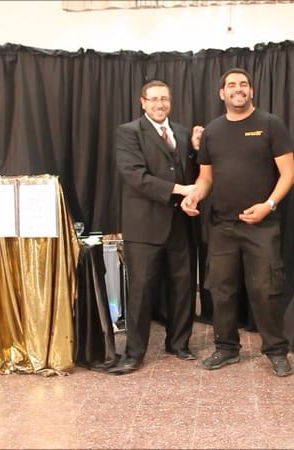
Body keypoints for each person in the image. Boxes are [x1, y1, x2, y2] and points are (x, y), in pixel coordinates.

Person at [181, 68, 294, 377]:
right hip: (222, 226)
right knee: (221, 290)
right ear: (222, 93)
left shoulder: (270, 124)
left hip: (262, 225)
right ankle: (226, 348)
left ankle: (276, 351)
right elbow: (205, 178)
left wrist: (268, 206)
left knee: (266, 290)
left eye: (243, 84)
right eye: (231, 85)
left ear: (251, 91)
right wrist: (195, 195)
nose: (238, 89)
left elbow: (289, 174)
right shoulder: (213, 131)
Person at [109, 79, 205, 375]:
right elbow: (135, 176)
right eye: (154, 99)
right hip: (144, 226)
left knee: (183, 286)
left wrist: (196, 150)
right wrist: (179, 189)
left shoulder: (182, 132)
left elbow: (191, 172)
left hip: (181, 223)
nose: (160, 104)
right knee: (140, 290)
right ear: (143, 102)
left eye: (164, 99)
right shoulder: (128, 132)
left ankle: (179, 343)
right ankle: (134, 353)